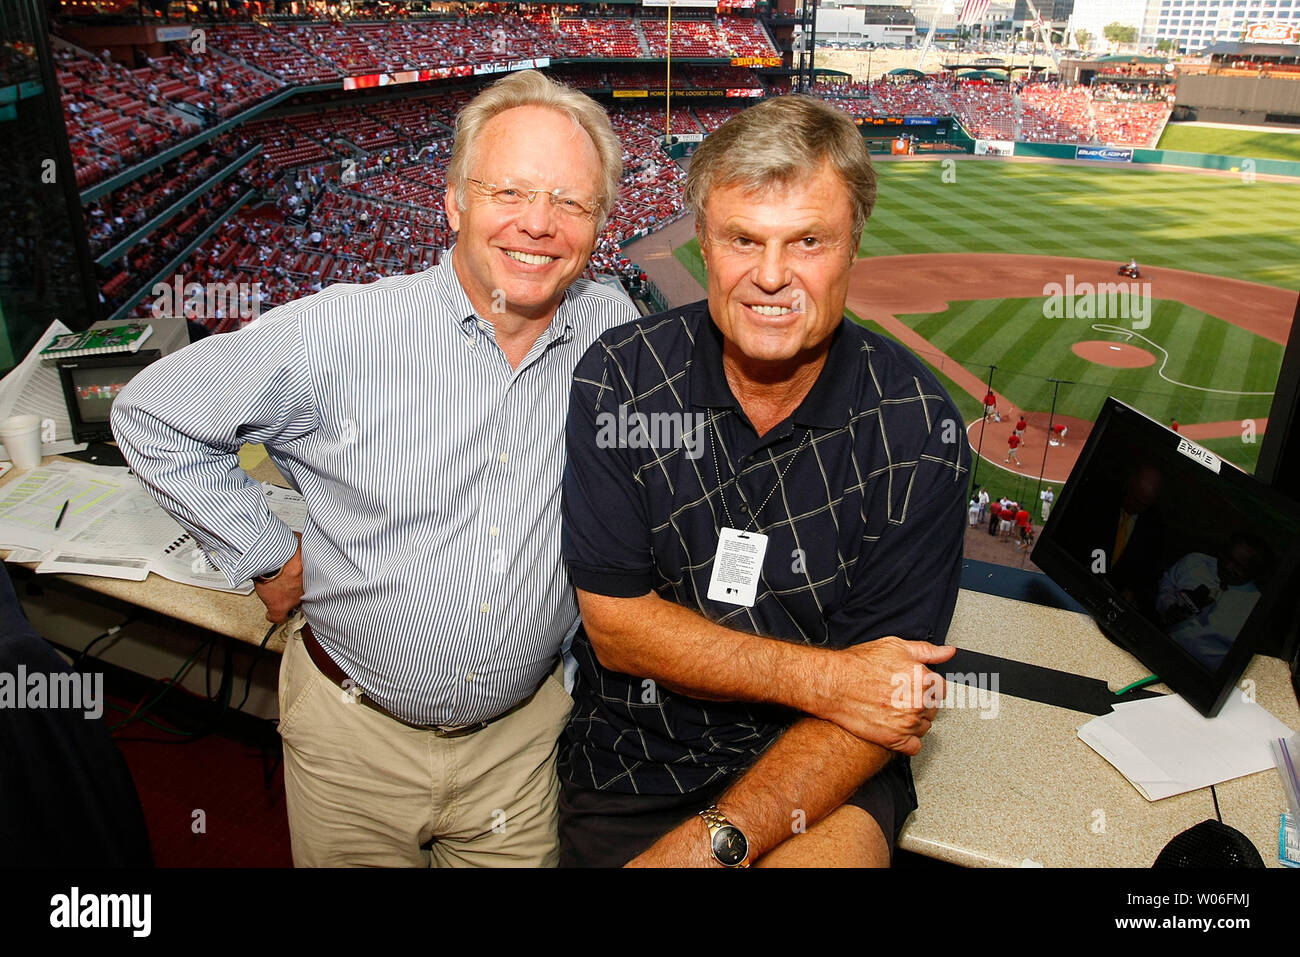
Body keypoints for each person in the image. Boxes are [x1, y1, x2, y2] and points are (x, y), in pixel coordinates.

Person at [111, 70, 638, 867]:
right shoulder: (339, 332)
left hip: (523, 747)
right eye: (510, 191)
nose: (539, 223)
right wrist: (267, 553)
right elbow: (151, 414)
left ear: (599, 223)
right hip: (352, 740)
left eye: (570, 201)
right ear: (454, 201)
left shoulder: (610, 322)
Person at [558, 95, 968, 868]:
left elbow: (871, 712)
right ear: (703, 248)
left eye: (807, 240)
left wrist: (711, 846)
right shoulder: (618, 376)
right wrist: (830, 677)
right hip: (633, 753)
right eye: (743, 239)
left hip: (826, 757)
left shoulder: (919, 429)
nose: (771, 276)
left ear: (852, 247)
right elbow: (618, 631)